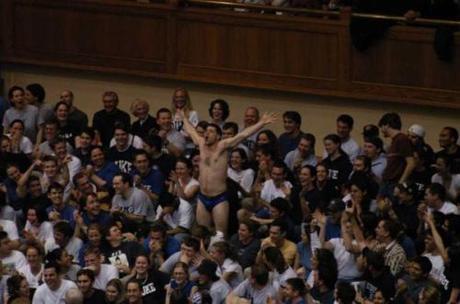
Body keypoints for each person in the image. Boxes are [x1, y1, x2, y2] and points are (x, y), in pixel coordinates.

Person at [179, 108, 277, 236]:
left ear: (218, 136)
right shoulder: (201, 144)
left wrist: (261, 123)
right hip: (202, 197)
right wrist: (184, 117)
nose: (206, 134)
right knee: (201, 235)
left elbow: (242, 135)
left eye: (211, 131)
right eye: (206, 131)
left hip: (219, 198)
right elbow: (191, 131)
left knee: (220, 235)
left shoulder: (223, 146)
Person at [378, 112, 415, 196]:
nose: (381, 130)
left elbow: (411, 163)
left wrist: (400, 184)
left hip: (393, 183)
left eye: (381, 127)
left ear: (386, 125)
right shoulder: (395, 140)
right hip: (388, 183)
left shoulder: (402, 139)